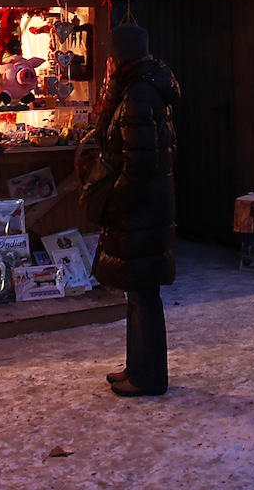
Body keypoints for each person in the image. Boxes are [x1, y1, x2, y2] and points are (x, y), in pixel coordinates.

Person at [78, 21, 180, 397]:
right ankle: (138, 365)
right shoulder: (139, 88)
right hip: (144, 203)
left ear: (119, 56)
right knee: (136, 292)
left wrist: (114, 201)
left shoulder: (139, 94)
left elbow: (139, 164)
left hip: (141, 207)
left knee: (143, 293)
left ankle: (149, 375)